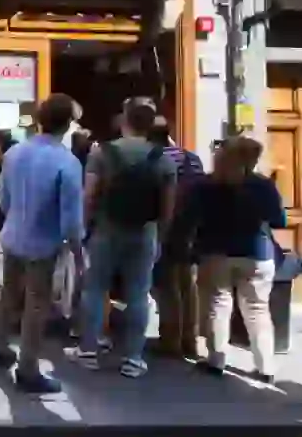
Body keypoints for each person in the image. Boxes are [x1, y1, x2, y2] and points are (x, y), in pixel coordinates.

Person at [68, 100, 176, 379]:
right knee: (139, 294)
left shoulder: (102, 153)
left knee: (94, 289)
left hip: (106, 230)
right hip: (144, 232)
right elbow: (168, 206)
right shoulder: (162, 158)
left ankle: (89, 350)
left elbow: (89, 195)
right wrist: (161, 235)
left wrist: (83, 228)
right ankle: (133, 358)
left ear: (124, 120)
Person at [0, 94, 85, 393]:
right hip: (43, 242)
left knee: (8, 293)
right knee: (36, 303)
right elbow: (71, 217)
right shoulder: (67, 162)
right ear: (68, 124)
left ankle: (1, 348)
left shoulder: (14, 153)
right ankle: (28, 368)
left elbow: (4, 199)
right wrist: (77, 252)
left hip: (12, 234)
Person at [178, 136, 283, 383]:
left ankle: (217, 360)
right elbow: (279, 220)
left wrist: (184, 245)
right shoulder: (263, 185)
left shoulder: (205, 185)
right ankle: (266, 366)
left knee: (217, 305)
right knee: (257, 309)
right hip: (257, 253)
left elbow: (188, 219)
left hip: (215, 251)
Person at [149, 116, 205, 360]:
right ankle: (190, 341)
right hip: (191, 228)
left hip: (166, 226)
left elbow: (153, 194)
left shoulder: (154, 159)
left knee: (167, 286)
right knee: (188, 285)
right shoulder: (191, 157)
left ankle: (170, 340)